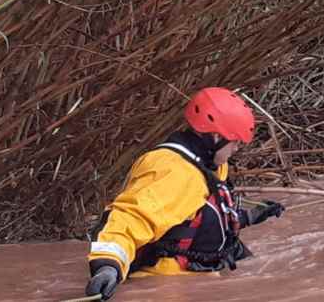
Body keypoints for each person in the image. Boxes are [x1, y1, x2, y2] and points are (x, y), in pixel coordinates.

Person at [85, 87, 284, 300]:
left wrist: (249, 216)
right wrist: (108, 266)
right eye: (235, 141)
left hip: (203, 277)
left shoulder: (210, 164)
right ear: (216, 136)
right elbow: (128, 219)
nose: (237, 148)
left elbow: (198, 219)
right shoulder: (174, 172)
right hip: (167, 287)